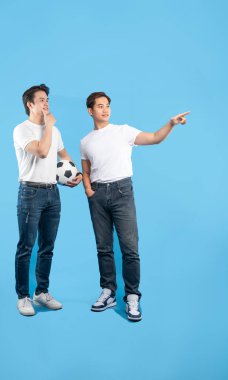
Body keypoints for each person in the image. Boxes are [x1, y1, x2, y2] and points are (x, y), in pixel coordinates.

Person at [80, 91, 189, 322]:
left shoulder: (123, 131)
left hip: (122, 192)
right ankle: (108, 292)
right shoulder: (85, 141)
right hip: (98, 195)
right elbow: (86, 170)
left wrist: (170, 124)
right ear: (91, 111)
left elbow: (154, 138)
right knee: (103, 247)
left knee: (129, 248)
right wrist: (89, 190)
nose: (105, 110)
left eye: (107, 105)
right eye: (100, 106)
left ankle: (131, 296)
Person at [13, 84, 82, 316]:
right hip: (30, 193)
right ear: (29, 104)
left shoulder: (56, 131)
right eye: (41, 100)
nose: (46, 103)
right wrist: (49, 125)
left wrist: (75, 173)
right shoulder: (21, 130)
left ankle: (41, 292)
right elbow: (42, 151)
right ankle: (23, 297)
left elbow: (63, 155)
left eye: (47, 99)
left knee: (47, 247)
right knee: (26, 247)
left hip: (53, 193)